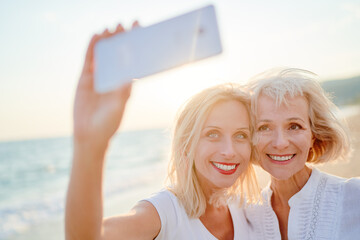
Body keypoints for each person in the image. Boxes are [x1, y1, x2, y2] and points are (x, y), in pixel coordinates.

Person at [65, 24, 260, 240]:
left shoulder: (245, 209)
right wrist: (88, 145)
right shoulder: (165, 211)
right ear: (187, 144)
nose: (229, 151)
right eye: (212, 134)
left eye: (241, 135)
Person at [245, 67, 360, 240]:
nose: (280, 143)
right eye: (264, 127)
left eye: (294, 126)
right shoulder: (245, 215)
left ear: (314, 135)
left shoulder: (354, 196)